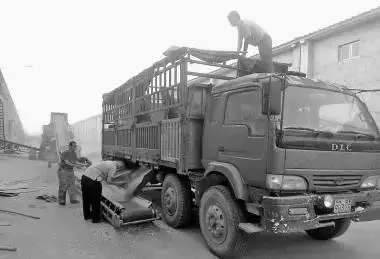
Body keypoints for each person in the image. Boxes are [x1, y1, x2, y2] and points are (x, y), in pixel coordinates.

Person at [58, 141, 85, 205]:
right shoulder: (65, 153)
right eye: (74, 146)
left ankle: (73, 199)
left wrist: (83, 165)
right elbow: (67, 162)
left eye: (75, 146)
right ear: (70, 146)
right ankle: (61, 200)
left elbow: (75, 162)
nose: (75, 148)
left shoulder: (74, 153)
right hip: (63, 170)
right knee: (63, 185)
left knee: (72, 186)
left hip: (70, 171)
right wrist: (76, 166)